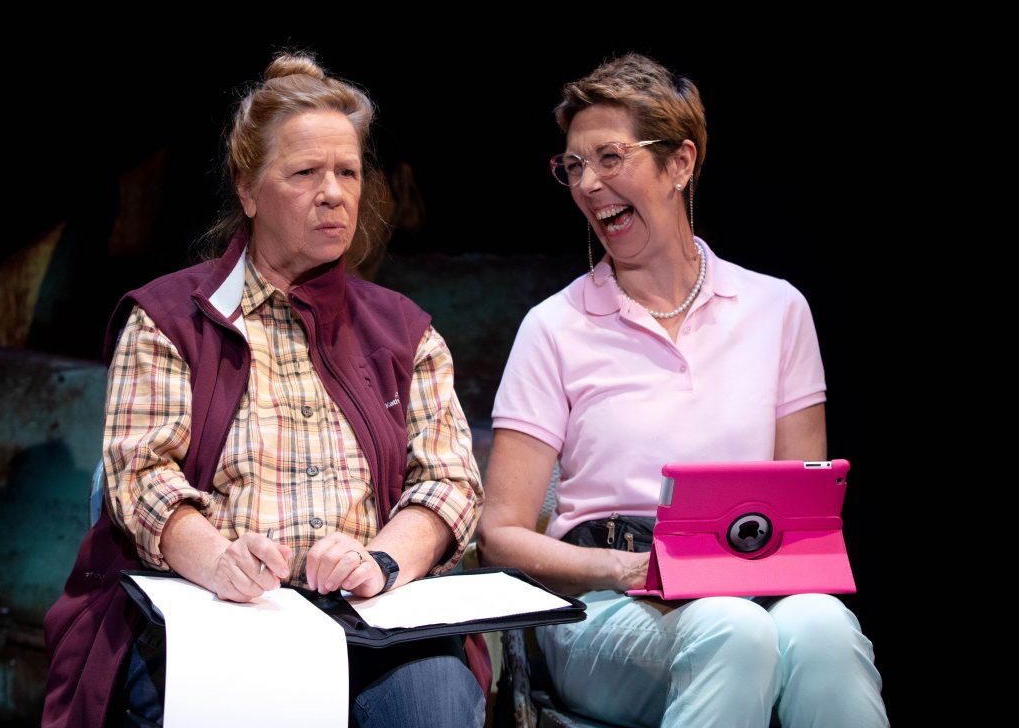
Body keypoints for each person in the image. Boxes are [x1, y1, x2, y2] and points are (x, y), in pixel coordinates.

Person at [43, 52, 487, 728]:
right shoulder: (169, 319)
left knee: (435, 704)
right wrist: (221, 561)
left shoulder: (405, 332)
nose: (334, 193)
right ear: (249, 191)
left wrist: (383, 559)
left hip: (370, 620)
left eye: (347, 172)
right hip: (219, 615)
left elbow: (449, 484)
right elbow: (140, 478)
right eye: (306, 173)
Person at [476, 53, 887, 728]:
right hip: (604, 604)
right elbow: (502, 534)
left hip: (744, 589)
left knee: (823, 626)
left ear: (679, 164)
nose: (588, 184)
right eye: (573, 166)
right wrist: (626, 570)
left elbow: (804, 518)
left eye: (610, 157)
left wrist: (739, 577)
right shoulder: (554, 328)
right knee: (732, 631)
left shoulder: (777, 310)